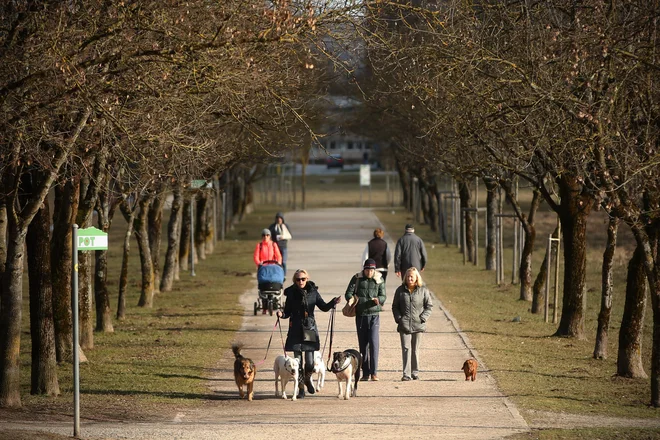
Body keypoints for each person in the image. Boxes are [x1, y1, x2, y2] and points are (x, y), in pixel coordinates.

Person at [277, 269, 340, 399]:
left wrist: (333, 302)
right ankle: (300, 389)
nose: (301, 281)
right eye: (298, 279)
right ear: (295, 280)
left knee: (310, 362)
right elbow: (287, 312)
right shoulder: (291, 294)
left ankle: (307, 378)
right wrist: (281, 315)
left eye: (303, 279)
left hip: (309, 328)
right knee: (297, 362)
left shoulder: (313, 292)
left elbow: (323, 307)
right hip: (295, 329)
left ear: (307, 279)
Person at [344, 258, 386, 381]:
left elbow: (383, 295)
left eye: (372, 270)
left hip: (374, 315)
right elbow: (348, 292)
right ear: (364, 269)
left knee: (374, 343)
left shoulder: (379, 279)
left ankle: (374, 372)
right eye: (367, 270)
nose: (369, 272)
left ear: (374, 270)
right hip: (361, 315)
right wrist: (350, 299)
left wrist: (379, 300)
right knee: (363, 345)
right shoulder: (357, 278)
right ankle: (365, 373)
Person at [392, 267, 433, 381]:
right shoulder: (400, 291)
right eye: (408, 276)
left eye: (412, 277)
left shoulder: (423, 290)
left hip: (418, 325)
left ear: (416, 278)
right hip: (404, 325)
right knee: (406, 349)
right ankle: (406, 374)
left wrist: (423, 318)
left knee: (415, 349)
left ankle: (415, 372)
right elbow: (395, 306)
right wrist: (399, 319)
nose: (410, 278)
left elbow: (429, 306)